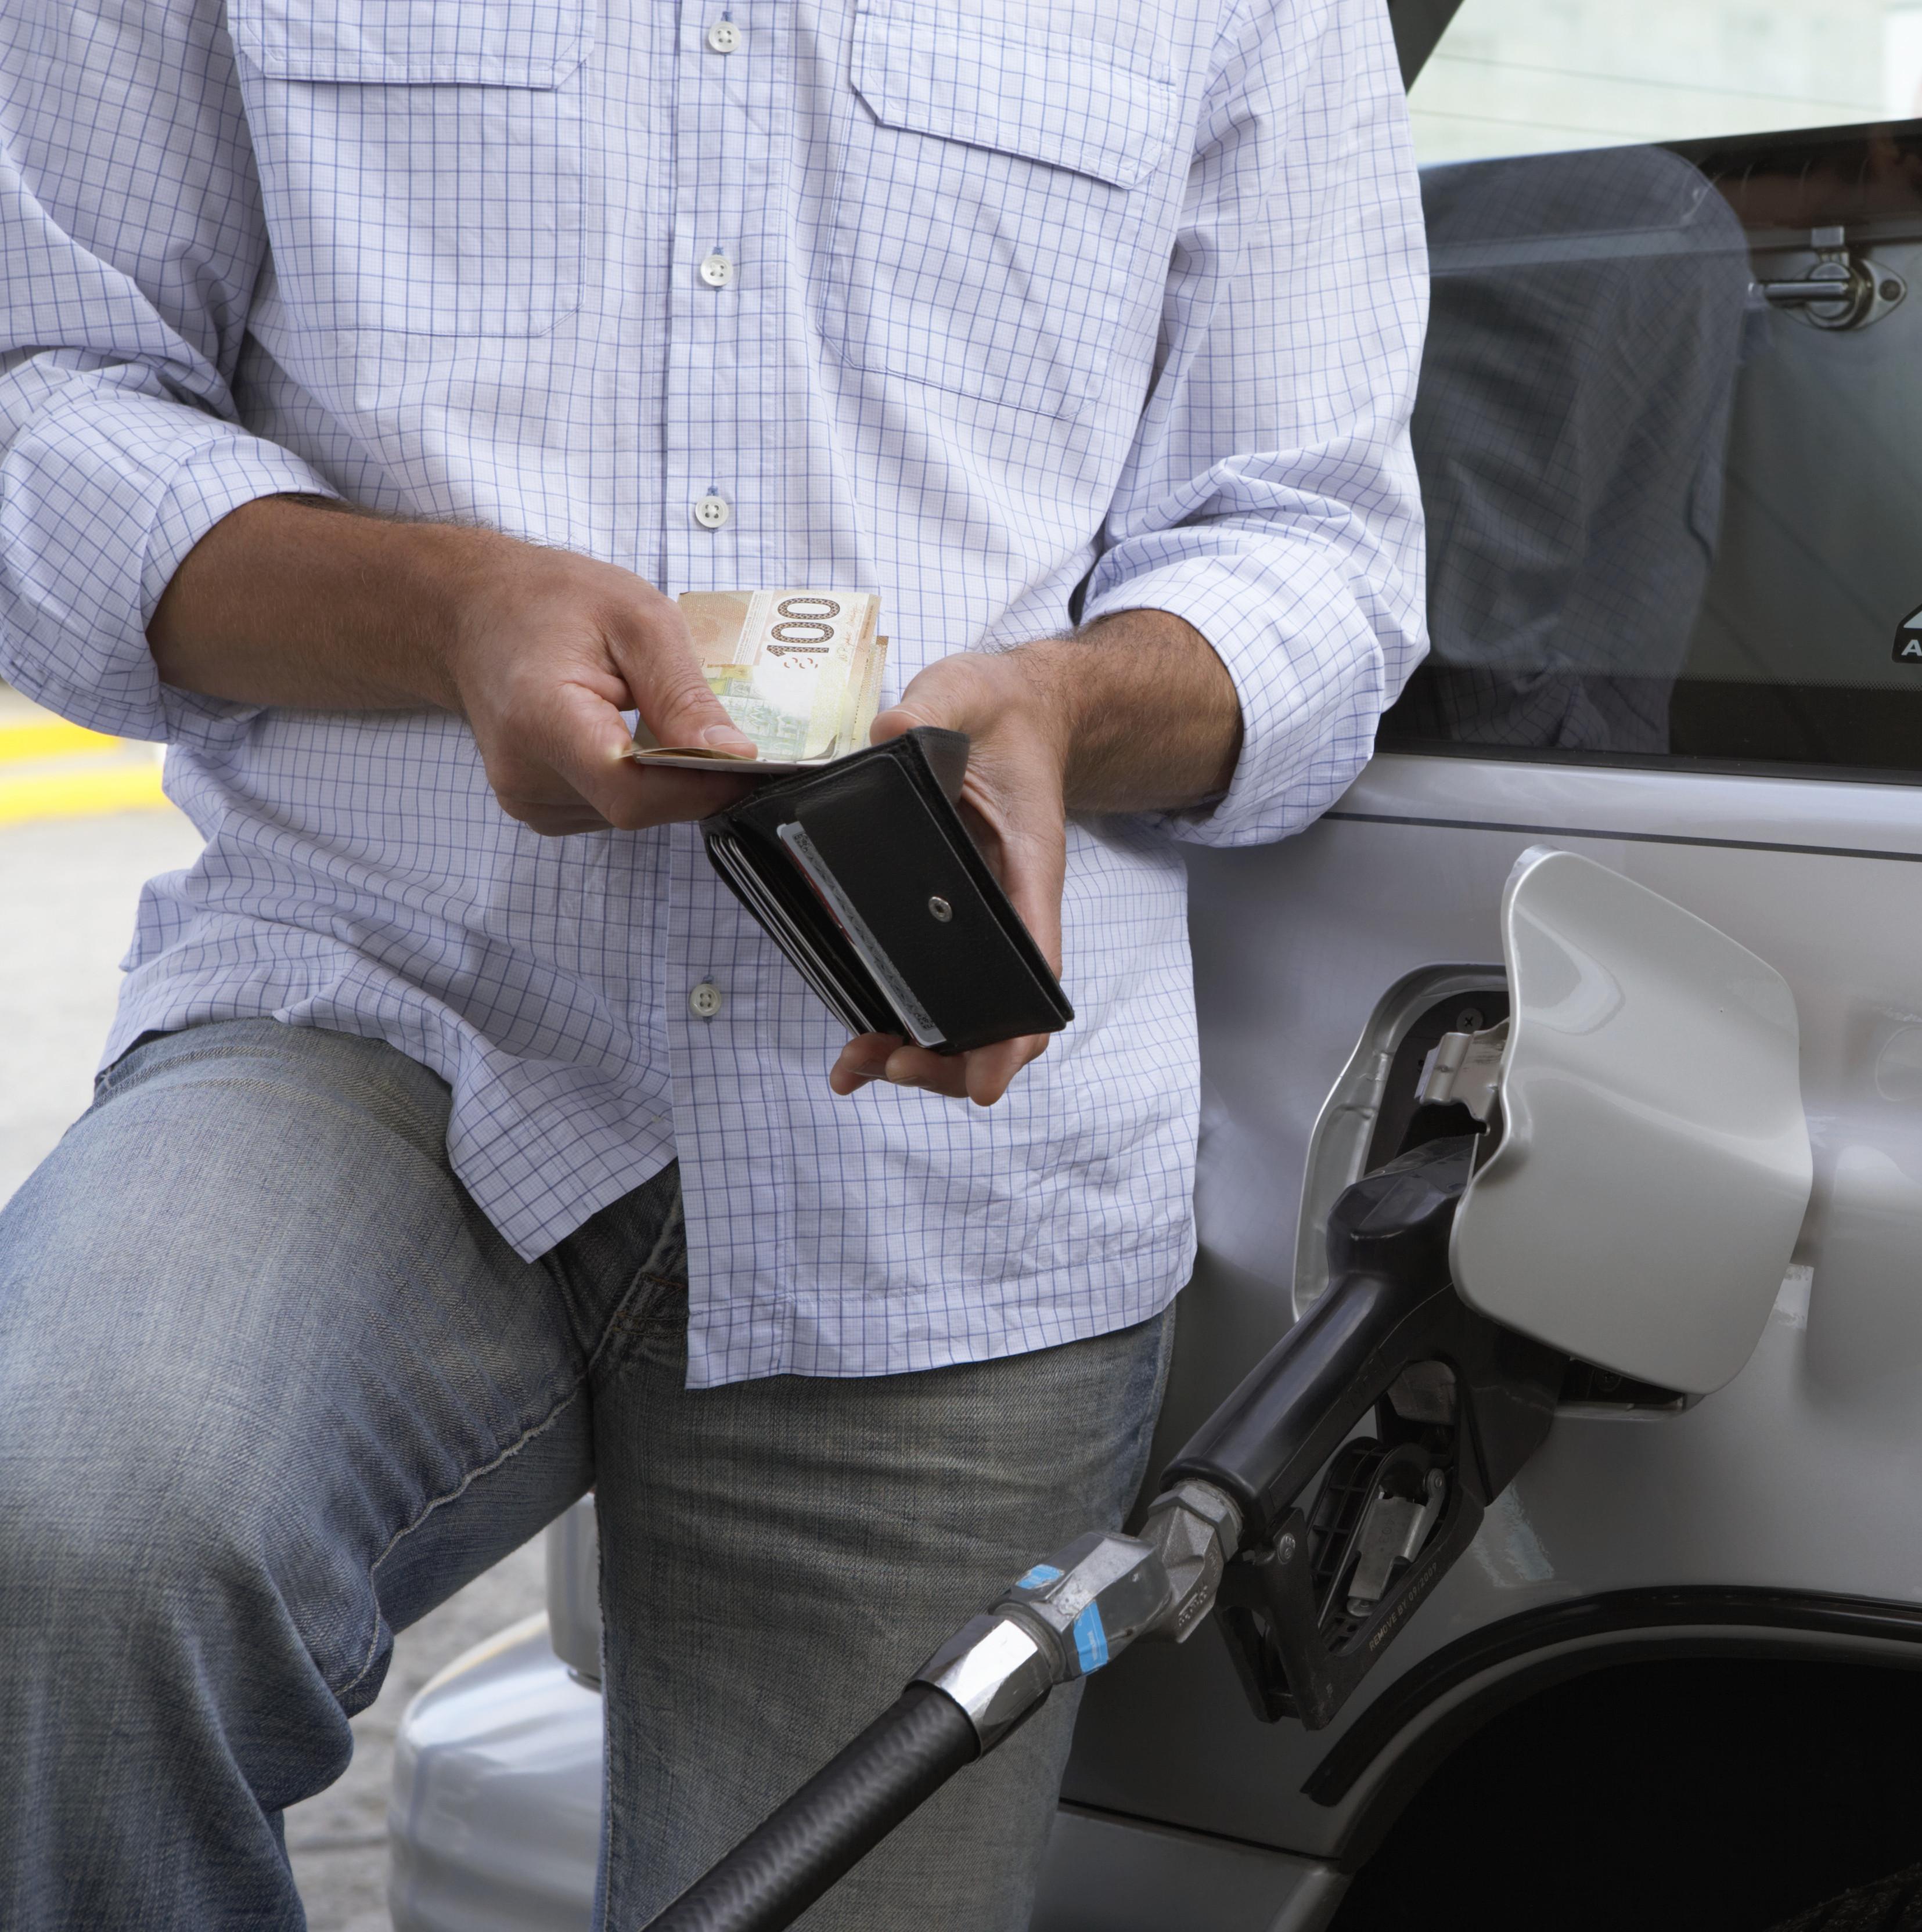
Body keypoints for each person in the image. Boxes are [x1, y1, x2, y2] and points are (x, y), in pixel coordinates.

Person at [0, 0, 1426, 1920]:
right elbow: (45, 397)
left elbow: (1316, 543)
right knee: (54, 1540)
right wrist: (450, 612)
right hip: (376, 1004)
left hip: (943, 1162)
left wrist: (1065, 706)